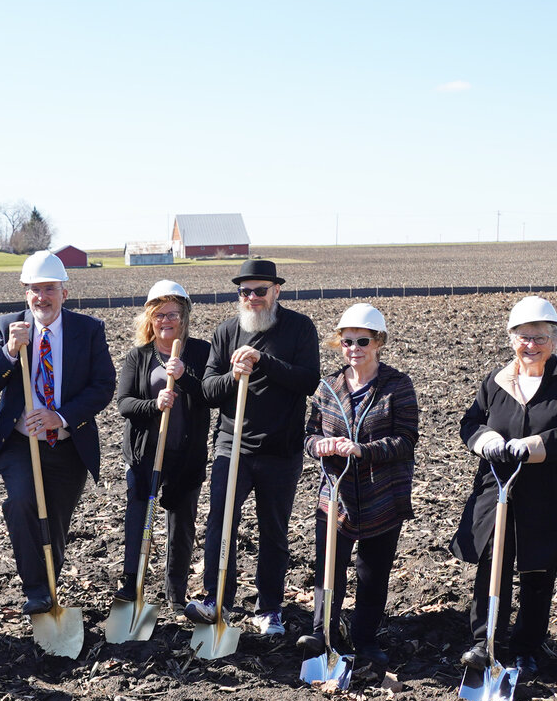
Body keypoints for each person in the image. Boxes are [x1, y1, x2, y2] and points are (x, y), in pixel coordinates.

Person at [451, 295, 557, 682]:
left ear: (555, 339)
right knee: (492, 564)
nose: (530, 345)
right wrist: (484, 440)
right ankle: (485, 642)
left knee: (537, 570)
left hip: (548, 491)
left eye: (539, 337)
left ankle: (528, 647)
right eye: (523, 337)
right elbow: (470, 422)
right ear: (511, 338)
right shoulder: (497, 381)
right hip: (497, 488)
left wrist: (533, 447)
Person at [186, 259, 320, 637]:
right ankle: (217, 600)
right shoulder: (227, 331)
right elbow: (209, 392)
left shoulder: (298, 328)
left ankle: (270, 608)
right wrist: (234, 376)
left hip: (281, 449)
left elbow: (309, 381)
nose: (252, 297)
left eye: (260, 290)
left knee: (273, 530)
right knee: (221, 524)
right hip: (233, 447)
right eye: (245, 291)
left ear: (276, 291)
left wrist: (263, 362)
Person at [0, 250, 116, 615]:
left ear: (64, 293)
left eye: (50, 289)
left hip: (68, 443)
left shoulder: (88, 330)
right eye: (35, 289)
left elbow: (103, 385)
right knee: (22, 501)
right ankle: (36, 589)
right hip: (20, 442)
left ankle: (50, 586)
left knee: (55, 518)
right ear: (26, 293)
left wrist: (61, 416)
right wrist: (9, 352)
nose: (42, 297)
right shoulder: (8, 325)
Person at [298, 303, 419, 668]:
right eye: (347, 341)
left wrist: (362, 450)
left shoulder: (396, 386)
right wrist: (318, 446)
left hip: (382, 495)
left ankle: (365, 639)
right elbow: (310, 433)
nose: (354, 348)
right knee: (328, 569)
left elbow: (406, 440)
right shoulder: (327, 387)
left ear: (378, 342)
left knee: (372, 572)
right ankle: (324, 634)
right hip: (335, 496)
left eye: (362, 341)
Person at [114, 280, 211, 610]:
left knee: (181, 526)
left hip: (187, 457)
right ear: (150, 318)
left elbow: (210, 396)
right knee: (139, 519)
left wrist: (184, 376)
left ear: (184, 316)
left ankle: (174, 593)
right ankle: (133, 584)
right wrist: (154, 404)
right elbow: (124, 403)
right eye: (159, 314)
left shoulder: (201, 352)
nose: (166, 320)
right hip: (145, 456)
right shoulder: (138, 356)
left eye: (173, 313)